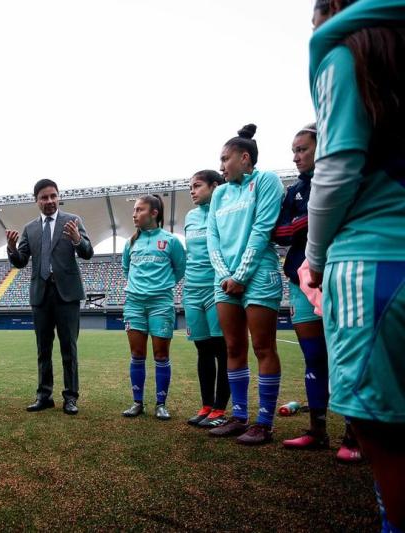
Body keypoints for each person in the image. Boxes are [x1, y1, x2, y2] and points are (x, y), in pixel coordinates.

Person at [307, 0, 405, 528]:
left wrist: (314, 257)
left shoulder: (344, 55)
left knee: (384, 433)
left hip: (376, 264)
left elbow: (338, 167)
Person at [273, 124, 361, 461]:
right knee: (314, 358)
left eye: (302, 149)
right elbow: (279, 233)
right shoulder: (294, 189)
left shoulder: (344, 180)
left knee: (346, 357)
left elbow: (339, 217)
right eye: (293, 151)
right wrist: (310, 219)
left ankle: (354, 436)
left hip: (339, 275)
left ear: (322, 148)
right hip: (300, 280)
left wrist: (307, 221)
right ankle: (317, 431)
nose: (296, 157)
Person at [206, 124, 285, 445]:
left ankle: (264, 422)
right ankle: (239, 416)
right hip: (223, 281)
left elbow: (263, 228)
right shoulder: (221, 193)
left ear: (244, 157)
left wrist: (241, 275)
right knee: (233, 347)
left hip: (258, 275)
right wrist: (226, 274)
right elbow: (213, 237)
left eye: (225, 159)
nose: (221, 165)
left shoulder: (266, 181)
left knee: (263, 347)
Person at [6, 179, 94, 415]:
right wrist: (12, 248)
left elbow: (87, 253)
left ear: (58, 196)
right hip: (41, 295)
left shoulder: (73, 221)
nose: (50, 201)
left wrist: (77, 238)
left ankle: (71, 397)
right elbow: (20, 262)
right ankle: (44, 396)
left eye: (53, 196)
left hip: (67, 295)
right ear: (36, 200)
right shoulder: (30, 228)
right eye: (44, 197)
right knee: (43, 349)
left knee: (69, 348)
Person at [121, 195, 186, 420]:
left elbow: (180, 269)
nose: (134, 214)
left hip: (161, 303)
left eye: (139, 210)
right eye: (135, 210)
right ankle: (137, 402)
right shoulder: (131, 243)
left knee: (161, 355)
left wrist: (161, 286)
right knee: (137, 354)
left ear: (154, 213)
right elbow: (126, 269)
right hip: (134, 303)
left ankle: (161, 403)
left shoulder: (171, 241)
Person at [182, 171, 231, 429]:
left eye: (197, 186)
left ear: (215, 186)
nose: (192, 191)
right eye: (190, 186)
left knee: (220, 349)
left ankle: (221, 408)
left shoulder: (224, 211)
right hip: (192, 289)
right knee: (202, 349)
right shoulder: (190, 217)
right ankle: (206, 404)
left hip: (216, 287)